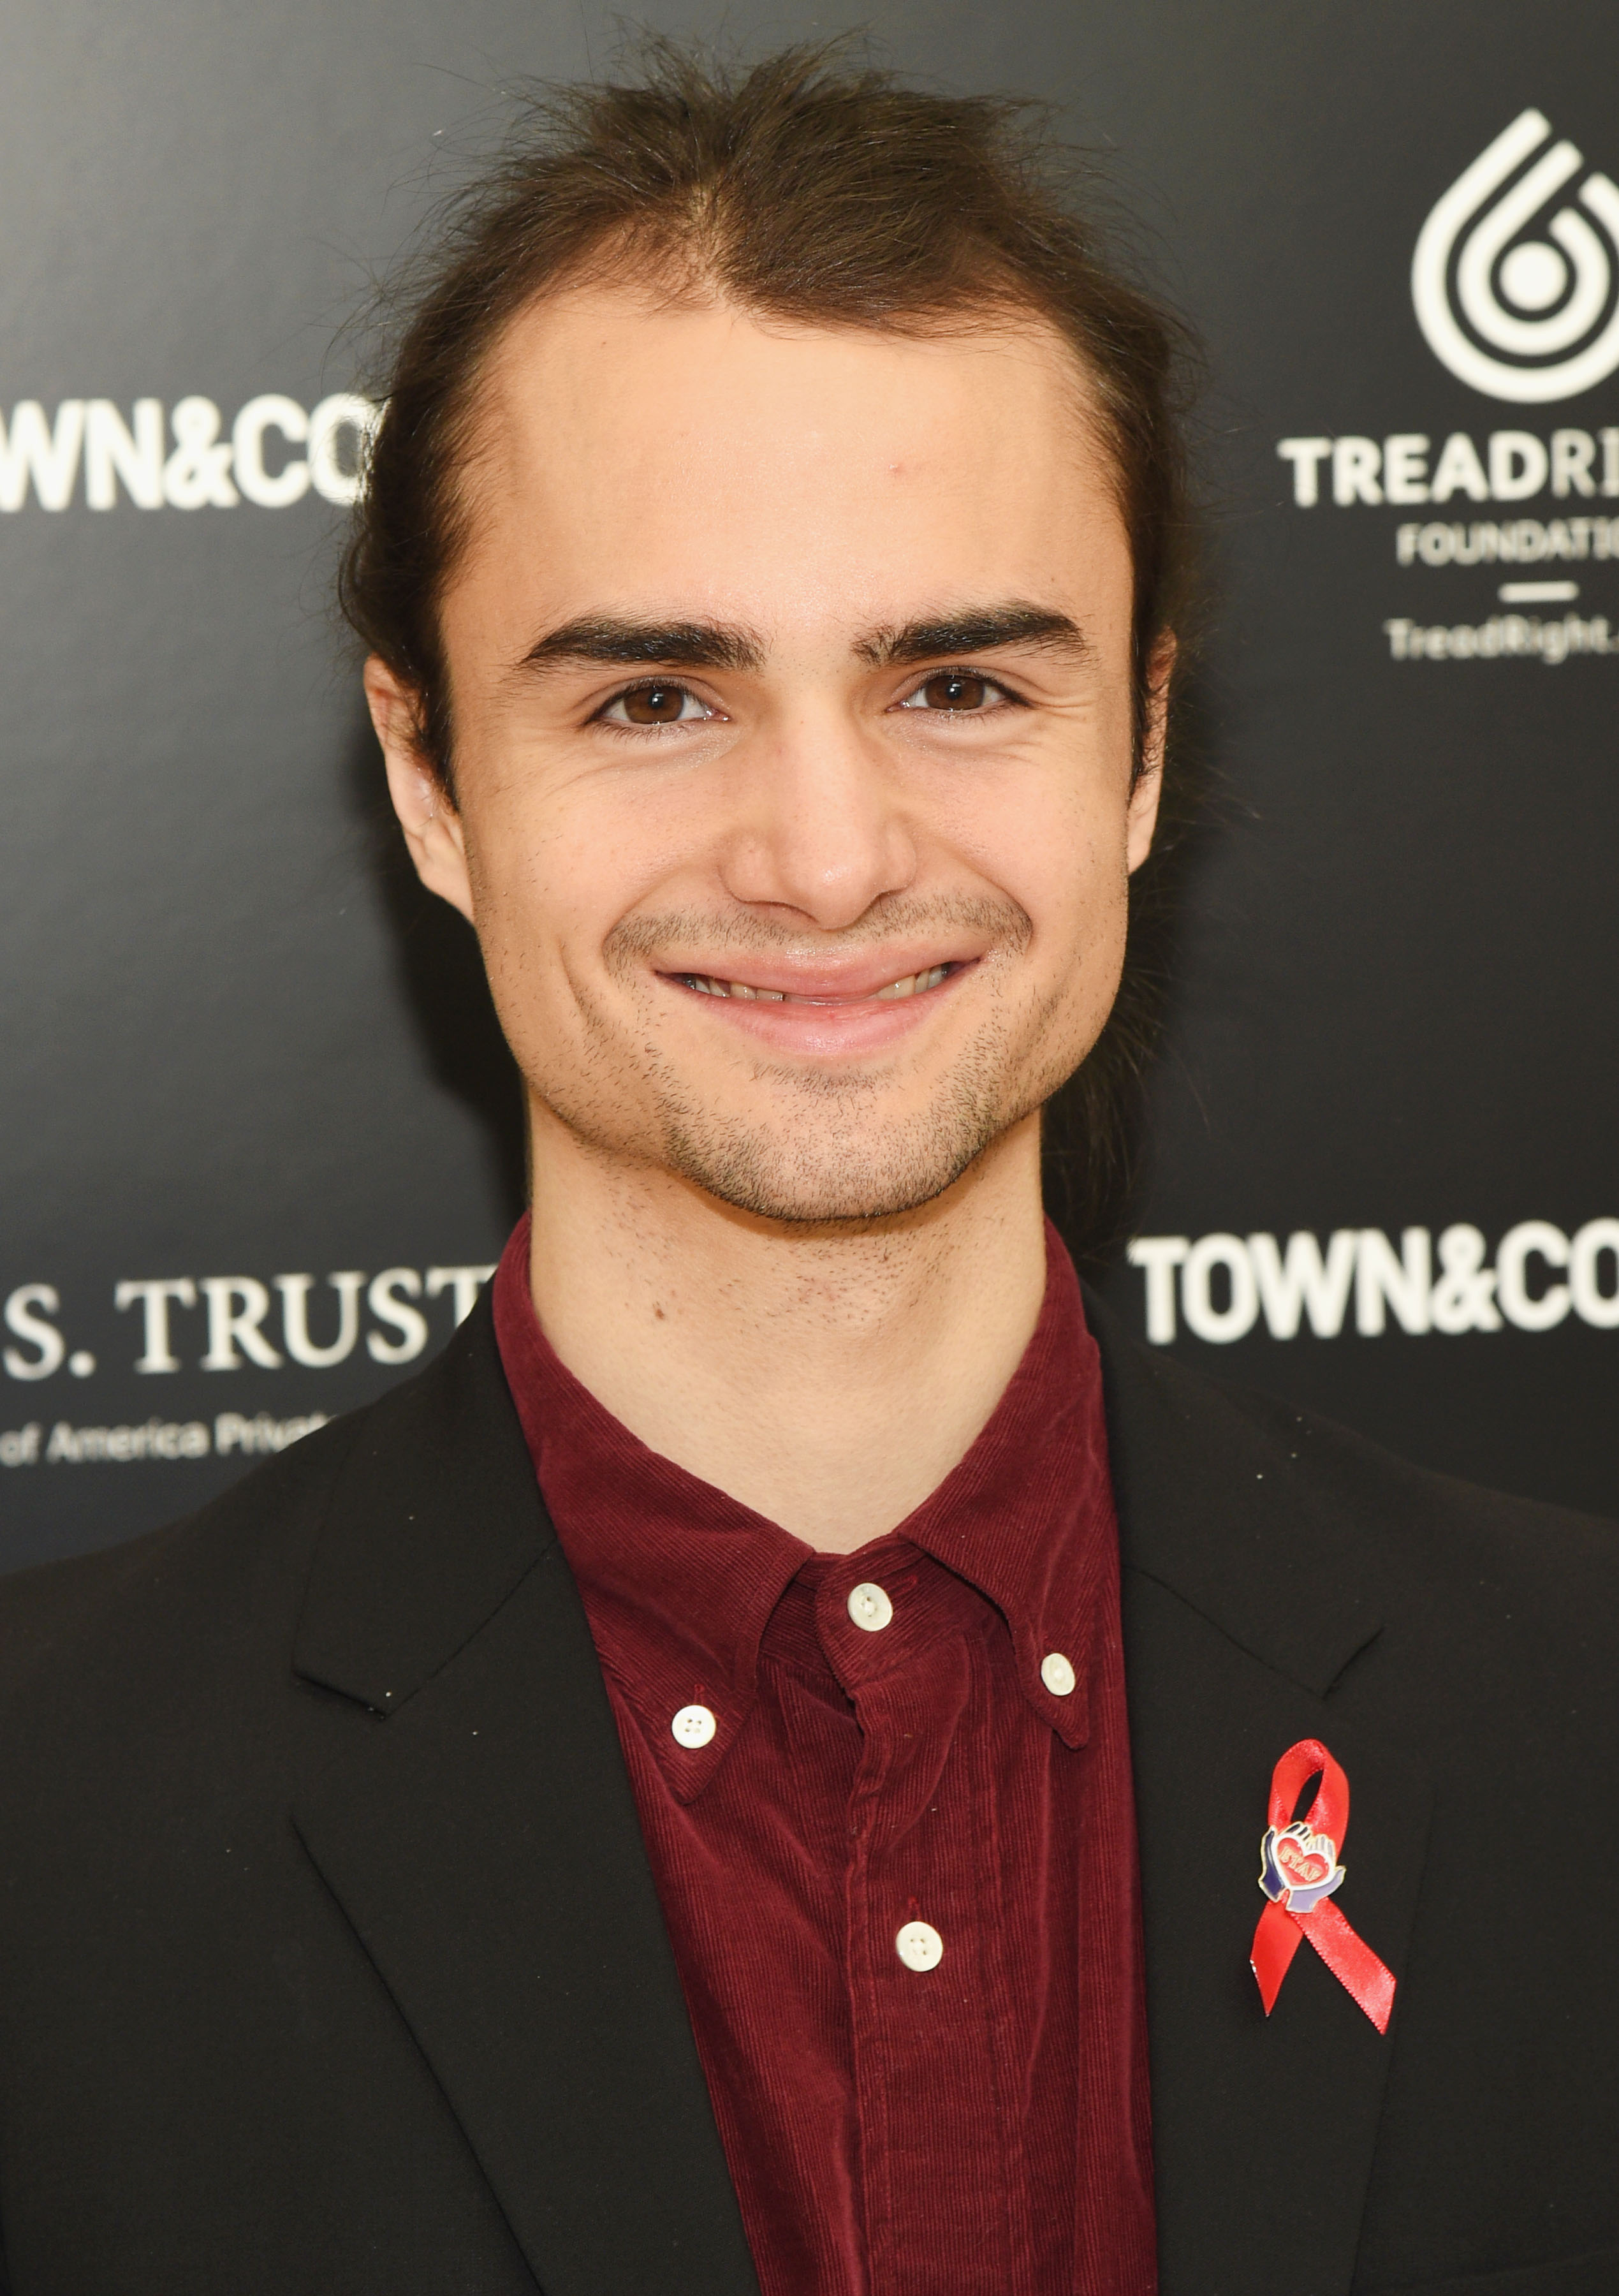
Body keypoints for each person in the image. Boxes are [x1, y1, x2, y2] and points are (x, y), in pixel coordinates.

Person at [0, 42, 1613, 2296]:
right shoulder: (43, 1830)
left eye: (957, 684)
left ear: (1140, 746)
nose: (828, 858)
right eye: (654, 697)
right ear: (433, 780)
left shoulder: (1576, 1716)